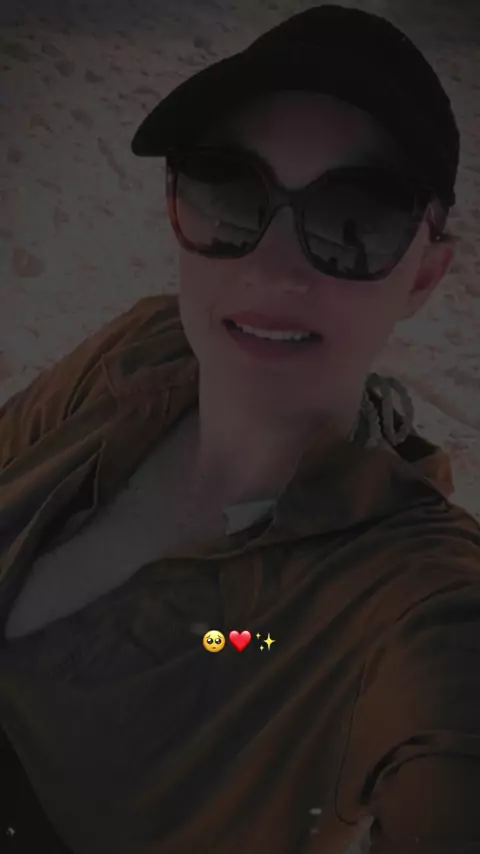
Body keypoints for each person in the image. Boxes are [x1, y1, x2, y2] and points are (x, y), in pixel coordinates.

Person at [0, 5, 479, 854]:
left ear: (424, 276)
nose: (272, 268)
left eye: (357, 219)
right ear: (175, 208)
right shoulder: (141, 348)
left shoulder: (411, 598)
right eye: (227, 189)